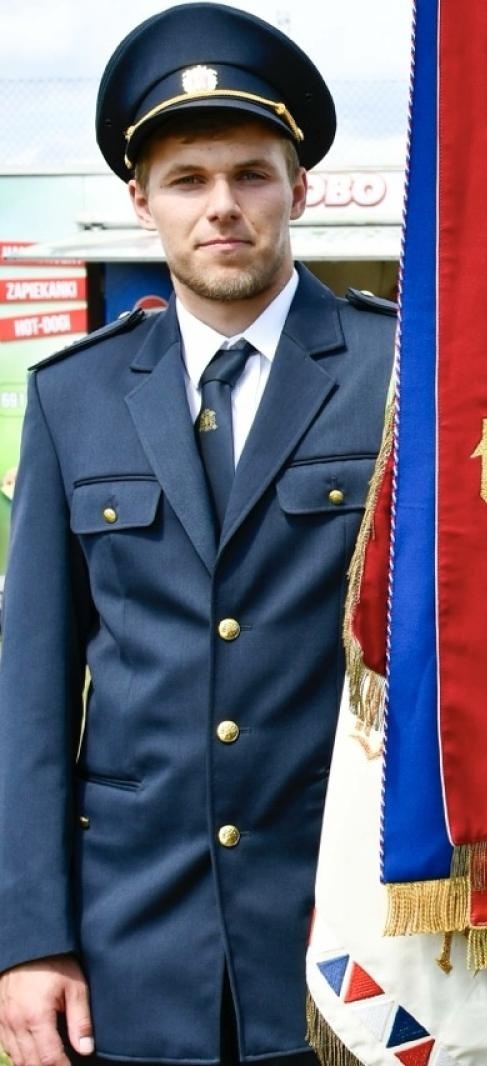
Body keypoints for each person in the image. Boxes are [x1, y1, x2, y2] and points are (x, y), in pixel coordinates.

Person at [0, 5, 394, 1064]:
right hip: (134, 941)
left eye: (250, 174)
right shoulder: (73, 398)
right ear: (142, 203)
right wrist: (30, 939)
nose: (222, 207)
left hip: (346, 931)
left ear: (298, 187)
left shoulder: (398, 377)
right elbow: (32, 689)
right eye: (187, 180)